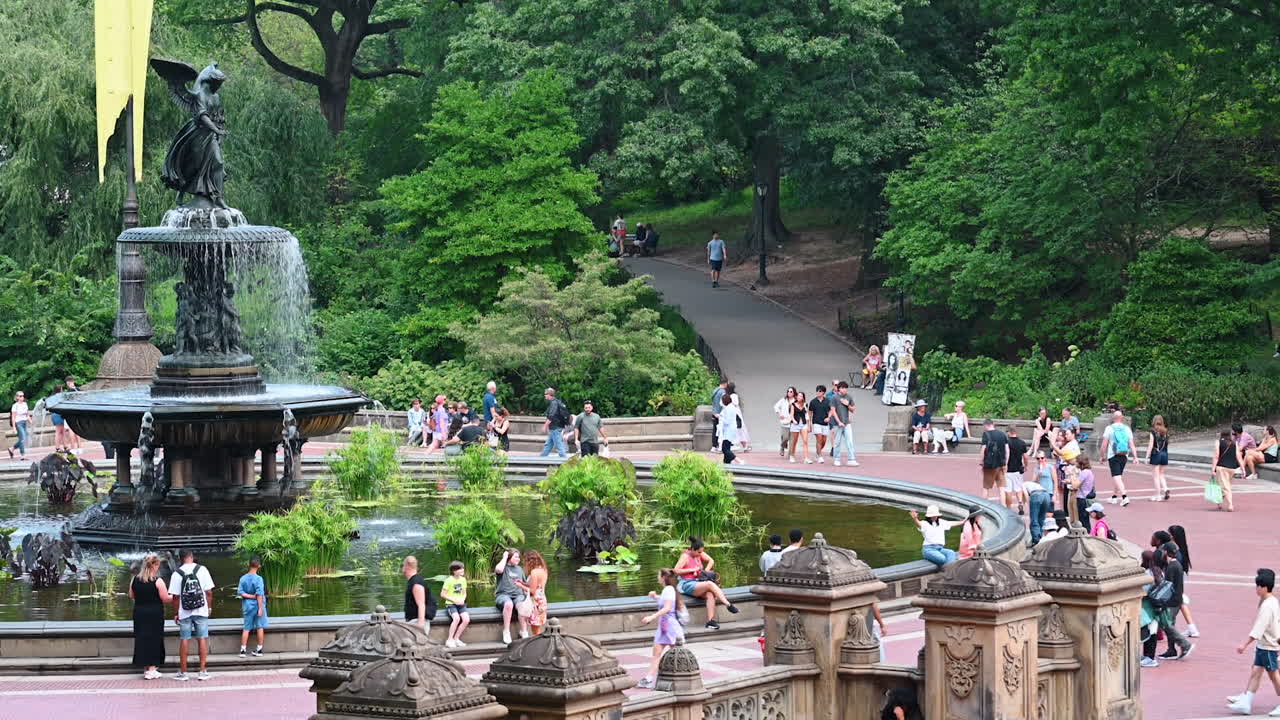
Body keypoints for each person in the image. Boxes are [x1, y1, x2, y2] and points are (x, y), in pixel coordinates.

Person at [1225, 568, 1280, 715]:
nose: (1256, 589)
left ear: (1264, 587)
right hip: (1266, 644)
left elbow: (1259, 628)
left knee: (1274, 675)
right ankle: (1246, 702)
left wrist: (1245, 644)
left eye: (1258, 586)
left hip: (1269, 646)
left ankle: (1247, 701)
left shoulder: (1268, 605)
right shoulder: (1271, 601)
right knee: (1256, 671)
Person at [674, 537, 740, 630]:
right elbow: (675, 571)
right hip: (686, 584)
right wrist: (692, 569)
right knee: (709, 584)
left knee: (710, 594)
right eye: (699, 552)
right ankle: (728, 604)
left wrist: (705, 571)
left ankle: (710, 622)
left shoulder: (699, 553)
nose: (700, 554)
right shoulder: (685, 556)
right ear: (692, 549)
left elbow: (711, 560)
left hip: (698, 583)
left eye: (701, 552)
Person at [169, 549, 215, 681]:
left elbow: (175, 598)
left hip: (184, 612)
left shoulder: (176, 574)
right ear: (192, 557)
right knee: (202, 638)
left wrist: (176, 613)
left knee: (184, 639)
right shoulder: (202, 570)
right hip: (201, 610)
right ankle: (202, 671)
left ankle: (183, 673)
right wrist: (209, 607)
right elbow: (209, 592)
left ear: (180, 558)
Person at [637, 568, 686, 689]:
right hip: (664, 627)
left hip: (670, 627)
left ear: (663, 577)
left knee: (679, 654)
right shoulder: (668, 590)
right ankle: (649, 678)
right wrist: (656, 597)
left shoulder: (669, 589)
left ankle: (686, 676)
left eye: (659, 575)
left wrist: (652, 617)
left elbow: (667, 608)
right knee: (657, 653)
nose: (657, 577)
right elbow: (666, 602)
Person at [129, 554, 171, 680]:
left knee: (142, 638)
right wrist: (175, 596)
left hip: (139, 612)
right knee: (154, 638)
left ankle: (146, 667)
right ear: (155, 565)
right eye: (158, 565)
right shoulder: (158, 581)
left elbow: (131, 595)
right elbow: (165, 598)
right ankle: (152, 669)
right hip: (154, 614)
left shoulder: (135, 579)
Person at [1158, 541, 1196, 661]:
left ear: (1166, 552)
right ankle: (1171, 650)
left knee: (1167, 625)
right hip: (1176, 600)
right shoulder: (1176, 565)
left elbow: (1167, 587)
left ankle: (1185, 644)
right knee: (1170, 624)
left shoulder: (1171, 567)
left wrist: (1162, 601)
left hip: (1172, 601)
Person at [1167, 524, 1201, 638]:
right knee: (1180, 602)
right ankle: (1192, 628)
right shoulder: (1181, 548)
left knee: (1180, 601)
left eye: (1169, 534)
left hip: (1177, 578)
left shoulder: (1176, 551)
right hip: (1180, 576)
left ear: (1173, 536)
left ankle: (1192, 629)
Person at [236, 556, 268, 658]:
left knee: (246, 628)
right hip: (257, 605)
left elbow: (240, 592)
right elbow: (259, 595)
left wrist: (249, 596)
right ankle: (259, 650)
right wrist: (260, 608)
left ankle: (242, 650)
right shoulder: (259, 579)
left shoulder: (243, 578)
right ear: (259, 565)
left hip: (247, 606)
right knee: (259, 627)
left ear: (249, 565)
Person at [494, 548, 529, 644]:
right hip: (503, 595)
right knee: (509, 604)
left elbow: (524, 585)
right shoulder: (503, 567)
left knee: (522, 605)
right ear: (509, 557)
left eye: (519, 557)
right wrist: (505, 557)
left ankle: (524, 631)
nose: (518, 559)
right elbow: (498, 569)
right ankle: (506, 631)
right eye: (516, 557)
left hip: (518, 595)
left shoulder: (519, 569)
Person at [1099, 410, 1133, 506]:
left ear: (1113, 418)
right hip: (1124, 454)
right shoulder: (1127, 428)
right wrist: (1135, 456)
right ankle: (1114, 497)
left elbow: (1104, 444)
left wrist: (1102, 456)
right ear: (1122, 418)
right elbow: (1131, 444)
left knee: (1116, 476)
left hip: (1113, 454)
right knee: (1118, 477)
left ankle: (1124, 496)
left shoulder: (1109, 428)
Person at [1140, 550, 1163, 668]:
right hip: (1157, 606)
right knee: (1152, 630)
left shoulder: (1148, 574)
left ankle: (1150, 657)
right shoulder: (1158, 571)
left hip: (1148, 606)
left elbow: (1144, 591)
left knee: (1148, 631)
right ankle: (1149, 656)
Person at [1024, 455, 1054, 545]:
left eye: (1042, 457)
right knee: (1042, 517)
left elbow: (1026, 496)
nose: (1040, 460)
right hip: (1046, 494)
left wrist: (1028, 505)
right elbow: (1034, 480)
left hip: (1037, 495)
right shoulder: (1035, 474)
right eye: (1038, 458)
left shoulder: (1023, 485)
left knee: (1034, 518)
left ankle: (1036, 539)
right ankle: (1041, 535)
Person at [828, 382, 859, 467]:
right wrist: (839, 422)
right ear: (839, 388)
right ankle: (837, 459)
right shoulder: (834, 397)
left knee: (849, 441)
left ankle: (851, 459)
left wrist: (847, 404)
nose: (845, 390)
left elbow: (853, 409)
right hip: (837, 424)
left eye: (846, 388)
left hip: (847, 423)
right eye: (843, 388)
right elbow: (833, 411)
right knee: (837, 442)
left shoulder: (848, 397)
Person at [518, 550, 549, 635]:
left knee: (535, 630)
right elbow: (537, 585)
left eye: (526, 561)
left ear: (530, 561)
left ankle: (537, 646)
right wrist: (523, 583)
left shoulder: (534, 572)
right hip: (542, 600)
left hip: (535, 603)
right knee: (537, 626)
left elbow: (532, 591)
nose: (525, 564)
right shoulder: (543, 570)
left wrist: (520, 586)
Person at [440, 561, 470, 648]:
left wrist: (462, 599)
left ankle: (456, 638)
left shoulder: (463, 580)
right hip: (451, 604)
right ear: (454, 571)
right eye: (460, 568)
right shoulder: (449, 581)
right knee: (456, 618)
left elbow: (464, 593)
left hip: (461, 604)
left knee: (466, 619)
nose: (462, 570)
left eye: (463, 568)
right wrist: (454, 600)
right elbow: (443, 594)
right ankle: (449, 640)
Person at [402, 555, 436, 631]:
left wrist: (420, 626)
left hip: (417, 622)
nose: (402, 567)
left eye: (403, 565)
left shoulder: (416, 583)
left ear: (406, 566)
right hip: (413, 621)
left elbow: (421, 605)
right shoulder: (414, 581)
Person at [1213, 429, 1243, 512]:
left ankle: (1230, 504)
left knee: (1226, 487)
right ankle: (1219, 501)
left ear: (1221, 434)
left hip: (1221, 467)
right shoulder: (1234, 443)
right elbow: (1238, 456)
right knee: (1225, 485)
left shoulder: (1218, 442)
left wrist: (1213, 469)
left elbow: (1216, 456)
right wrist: (1242, 468)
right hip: (1232, 468)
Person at [1143, 415, 1171, 501]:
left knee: (1155, 476)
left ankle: (1157, 495)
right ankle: (1165, 488)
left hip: (1156, 454)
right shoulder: (1165, 431)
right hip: (1165, 454)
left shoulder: (1153, 431)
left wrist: (1147, 456)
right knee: (1161, 474)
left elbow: (1151, 444)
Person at [979, 419, 1009, 501]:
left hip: (990, 465)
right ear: (993, 424)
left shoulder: (986, 434)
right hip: (1001, 464)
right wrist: (1006, 463)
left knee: (986, 487)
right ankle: (1003, 506)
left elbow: (983, 449)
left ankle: (984, 506)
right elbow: (1007, 449)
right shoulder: (1002, 434)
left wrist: (981, 462)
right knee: (1001, 488)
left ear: (985, 425)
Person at [1004, 425, 1029, 514]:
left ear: (1009, 432)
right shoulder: (1021, 442)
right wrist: (1026, 466)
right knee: (1018, 488)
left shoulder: (1006, 443)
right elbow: (1025, 456)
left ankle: (1009, 508)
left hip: (1008, 470)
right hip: (1018, 469)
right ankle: (1020, 503)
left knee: (1008, 490)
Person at [540, 388, 569, 459]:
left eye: (545, 394)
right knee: (549, 444)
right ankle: (541, 458)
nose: (544, 395)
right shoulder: (557, 402)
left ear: (549, 395)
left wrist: (545, 426)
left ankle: (564, 460)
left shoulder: (554, 403)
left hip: (555, 427)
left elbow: (551, 416)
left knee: (559, 445)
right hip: (557, 427)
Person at [807, 385, 831, 463]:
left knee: (823, 440)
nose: (818, 392)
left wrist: (829, 417)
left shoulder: (827, 401)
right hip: (816, 423)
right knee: (819, 439)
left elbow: (831, 410)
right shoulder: (813, 401)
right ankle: (820, 456)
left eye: (820, 391)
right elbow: (810, 412)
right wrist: (809, 423)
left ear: (823, 392)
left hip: (825, 423)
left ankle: (817, 453)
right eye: (817, 391)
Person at [717, 393, 743, 465]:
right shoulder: (731, 407)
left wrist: (720, 417)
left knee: (724, 449)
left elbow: (727, 421)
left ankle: (738, 460)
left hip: (729, 430)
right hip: (731, 430)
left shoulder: (728, 408)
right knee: (727, 447)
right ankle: (726, 463)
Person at [1072, 456, 1096, 531]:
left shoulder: (1084, 472)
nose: (1075, 463)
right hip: (1086, 497)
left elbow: (1075, 485)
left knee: (1082, 519)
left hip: (1082, 498)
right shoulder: (1089, 472)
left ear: (1081, 463)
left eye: (1076, 462)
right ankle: (1088, 532)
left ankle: (1086, 534)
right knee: (1085, 519)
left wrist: (1072, 476)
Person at [774, 387, 796, 457]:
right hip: (785, 422)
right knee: (785, 438)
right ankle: (782, 447)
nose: (789, 392)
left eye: (791, 391)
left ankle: (790, 455)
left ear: (794, 393)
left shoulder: (796, 400)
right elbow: (776, 406)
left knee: (792, 440)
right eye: (788, 391)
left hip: (793, 422)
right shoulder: (783, 400)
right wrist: (780, 414)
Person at [788, 390, 810, 464]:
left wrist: (809, 425)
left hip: (803, 424)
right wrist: (793, 420)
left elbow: (807, 415)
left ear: (803, 398)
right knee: (794, 441)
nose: (799, 397)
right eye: (798, 395)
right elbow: (791, 415)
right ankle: (792, 456)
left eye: (801, 396)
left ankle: (806, 458)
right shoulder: (793, 405)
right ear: (796, 397)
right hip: (795, 425)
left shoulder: (805, 405)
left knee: (805, 441)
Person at [728, 384, 751, 452]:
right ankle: (745, 446)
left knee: (738, 430)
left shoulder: (729, 395)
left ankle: (744, 446)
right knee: (740, 430)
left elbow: (734, 403)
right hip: (736, 414)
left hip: (733, 414)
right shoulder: (733, 395)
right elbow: (736, 403)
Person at [9, 391, 29, 460]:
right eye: (20, 396)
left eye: (23, 396)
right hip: (18, 423)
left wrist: (30, 420)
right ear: (17, 397)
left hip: (24, 422)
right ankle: (22, 455)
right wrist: (14, 428)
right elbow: (13, 417)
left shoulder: (25, 404)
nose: (22, 397)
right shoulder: (15, 406)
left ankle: (12, 449)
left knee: (22, 439)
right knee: (23, 438)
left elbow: (27, 414)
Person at [710, 379, 728, 453]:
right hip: (719, 414)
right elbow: (723, 403)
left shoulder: (715, 390)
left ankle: (714, 446)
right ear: (725, 384)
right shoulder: (722, 392)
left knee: (714, 430)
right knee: (720, 430)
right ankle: (719, 446)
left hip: (714, 412)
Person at [50, 385, 68, 452]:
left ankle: (65, 446)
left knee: (62, 431)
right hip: (58, 414)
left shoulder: (53, 397)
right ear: (59, 390)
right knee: (58, 432)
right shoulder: (58, 397)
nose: (62, 390)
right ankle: (57, 447)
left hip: (56, 414)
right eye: (61, 389)